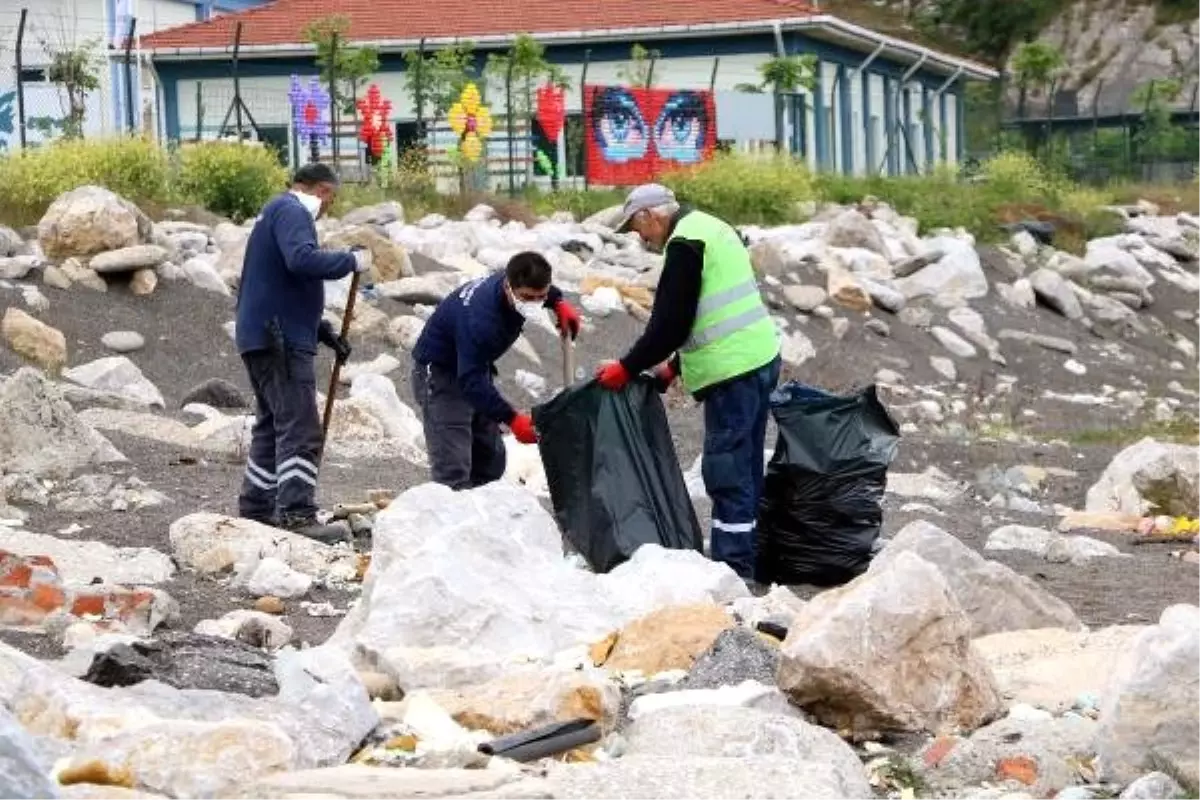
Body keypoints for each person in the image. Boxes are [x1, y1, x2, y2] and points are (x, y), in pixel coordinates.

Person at [594, 184, 781, 581]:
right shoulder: (711, 226)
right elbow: (715, 311)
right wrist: (673, 369)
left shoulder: (684, 245)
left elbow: (670, 324)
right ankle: (748, 556)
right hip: (760, 357)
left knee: (728, 471)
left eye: (637, 227)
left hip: (732, 371)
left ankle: (733, 568)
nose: (639, 237)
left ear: (652, 215)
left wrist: (627, 368)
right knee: (747, 466)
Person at [234, 162, 372, 543]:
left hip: (263, 333)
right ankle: (298, 514)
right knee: (300, 425)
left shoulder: (274, 212)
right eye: (331, 198)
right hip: (279, 338)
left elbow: (280, 283)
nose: (329, 207)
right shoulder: (293, 211)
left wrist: (323, 332)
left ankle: (257, 507)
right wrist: (350, 261)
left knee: (272, 423)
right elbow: (301, 260)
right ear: (322, 191)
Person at [411, 251, 581, 490]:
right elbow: (470, 382)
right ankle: (454, 518)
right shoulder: (482, 321)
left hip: (475, 365)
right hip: (441, 374)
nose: (535, 304)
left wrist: (558, 302)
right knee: (453, 470)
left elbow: (543, 291)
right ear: (508, 287)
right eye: (527, 298)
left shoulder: (517, 279)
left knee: (490, 461)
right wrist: (513, 419)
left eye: (540, 297)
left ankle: (482, 513)